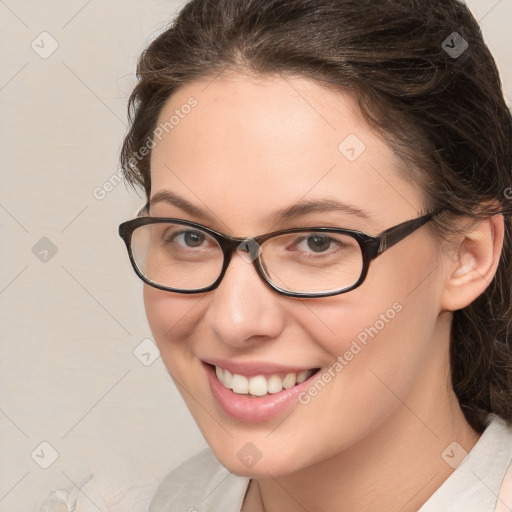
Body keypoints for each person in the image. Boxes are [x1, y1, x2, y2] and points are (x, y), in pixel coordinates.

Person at [116, 0, 512, 510]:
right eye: (191, 237)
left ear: (468, 256)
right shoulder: (175, 499)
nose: (234, 320)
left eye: (317, 242)